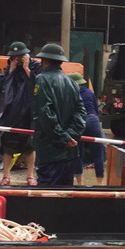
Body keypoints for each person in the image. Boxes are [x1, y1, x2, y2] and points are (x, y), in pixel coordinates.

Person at [32, 43, 86, 186]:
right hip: (69, 153)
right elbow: (81, 113)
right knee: (65, 195)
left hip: (50, 151)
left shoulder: (41, 80)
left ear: (45, 61)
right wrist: (71, 136)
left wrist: (63, 137)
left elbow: (45, 113)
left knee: (47, 196)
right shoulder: (72, 82)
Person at [0, 41, 40, 186]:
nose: (17, 60)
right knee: (8, 146)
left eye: (20, 57)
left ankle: (30, 176)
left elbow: (39, 85)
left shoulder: (35, 68)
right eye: (14, 57)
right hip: (12, 115)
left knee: (30, 147)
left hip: (29, 114)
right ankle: (6, 176)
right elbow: (1, 86)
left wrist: (27, 68)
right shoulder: (9, 69)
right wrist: (11, 70)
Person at [69, 72, 106, 186]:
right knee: (98, 153)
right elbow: (96, 108)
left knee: (78, 153)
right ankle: (99, 184)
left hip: (79, 122)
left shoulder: (70, 94)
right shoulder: (89, 92)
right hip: (93, 119)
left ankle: (80, 183)